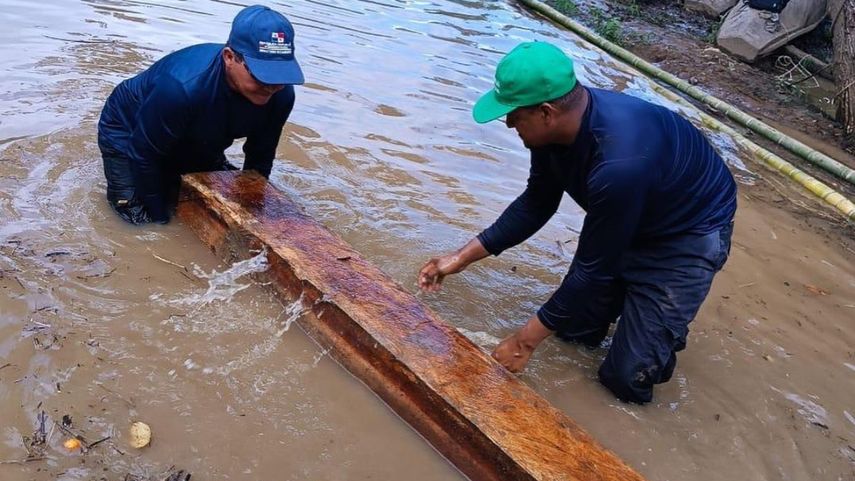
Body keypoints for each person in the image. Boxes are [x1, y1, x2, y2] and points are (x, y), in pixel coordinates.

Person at [418, 41, 737, 404]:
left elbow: (592, 270)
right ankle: (633, 310)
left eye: (514, 115)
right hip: (625, 217)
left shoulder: (620, 165)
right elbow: (537, 203)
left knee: (625, 379)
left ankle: (660, 325)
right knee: (573, 334)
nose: (508, 123)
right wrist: (460, 258)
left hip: (685, 236)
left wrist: (524, 343)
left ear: (546, 112)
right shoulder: (550, 135)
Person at [97, 4, 304, 224]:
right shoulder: (181, 89)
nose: (272, 87)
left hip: (198, 129)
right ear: (229, 57)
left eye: (280, 76)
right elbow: (143, 154)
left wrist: (253, 211)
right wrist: (160, 221)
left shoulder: (281, 95)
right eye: (262, 76)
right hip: (129, 130)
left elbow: (260, 155)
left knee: (213, 196)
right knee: (140, 218)